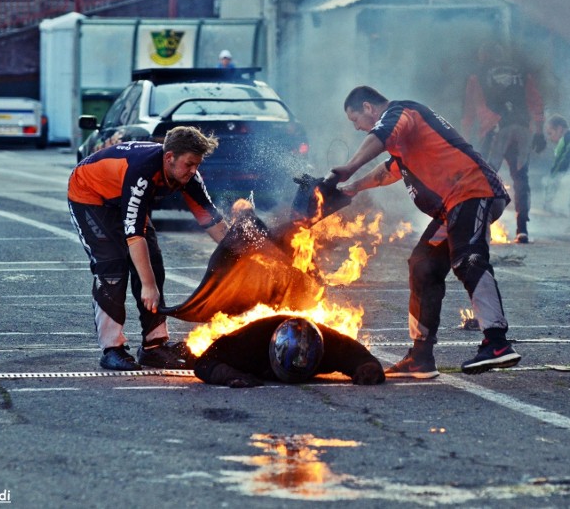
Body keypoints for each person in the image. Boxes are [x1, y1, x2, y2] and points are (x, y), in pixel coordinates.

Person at [326, 86, 522, 378]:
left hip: (473, 190)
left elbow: (379, 136)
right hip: (452, 206)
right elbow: (390, 169)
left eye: (356, 120)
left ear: (368, 107)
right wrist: (354, 187)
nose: (357, 128)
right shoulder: (402, 142)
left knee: (468, 259)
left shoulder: (401, 111)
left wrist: (350, 167)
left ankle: (496, 344)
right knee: (422, 265)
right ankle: (420, 357)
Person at [68, 126, 229, 371]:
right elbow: (134, 236)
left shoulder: (188, 176)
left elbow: (211, 220)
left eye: (197, 164)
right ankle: (112, 348)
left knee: (153, 261)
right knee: (112, 267)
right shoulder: (142, 171)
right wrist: (148, 285)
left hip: (123, 198)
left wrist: (239, 252)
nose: (193, 170)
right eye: (189, 164)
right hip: (90, 196)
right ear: (169, 158)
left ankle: (154, 345)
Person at [461, 42, 546, 243]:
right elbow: (535, 101)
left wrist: (464, 141)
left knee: (485, 177)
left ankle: (481, 227)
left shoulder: (478, 75)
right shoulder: (522, 73)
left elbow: (470, 111)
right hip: (522, 129)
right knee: (521, 179)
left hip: (495, 130)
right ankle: (522, 229)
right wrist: (540, 131)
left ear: (485, 55)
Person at [193, 315, 385, 387]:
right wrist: (229, 375)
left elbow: (363, 359)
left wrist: (369, 370)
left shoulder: (329, 345)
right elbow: (204, 362)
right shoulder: (248, 344)